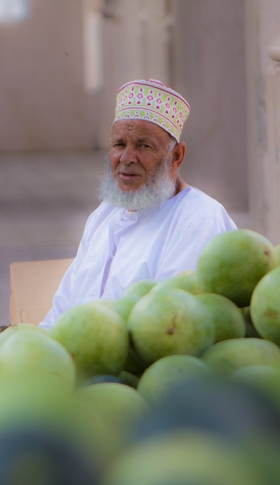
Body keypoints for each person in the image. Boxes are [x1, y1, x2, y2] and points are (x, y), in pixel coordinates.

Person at [39, 79, 237, 329]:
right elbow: (62, 310)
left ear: (176, 156)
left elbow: (169, 324)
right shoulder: (104, 215)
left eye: (143, 146)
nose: (126, 158)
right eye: (119, 144)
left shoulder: (198, 218)